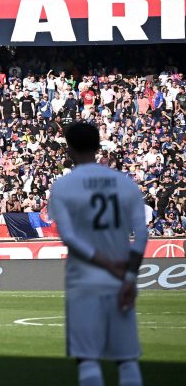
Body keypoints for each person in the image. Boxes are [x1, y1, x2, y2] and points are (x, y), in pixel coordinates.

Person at [48, 122, 148, 386]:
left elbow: (69, 237)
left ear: (69, 149)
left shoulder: (64, 186)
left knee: (88, 359)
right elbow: (141, 234)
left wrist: (110, 265)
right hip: (120, 283)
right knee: (127, 360)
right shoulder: (124, 183)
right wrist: (128, 276)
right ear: (98, 146)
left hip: (83, 282)